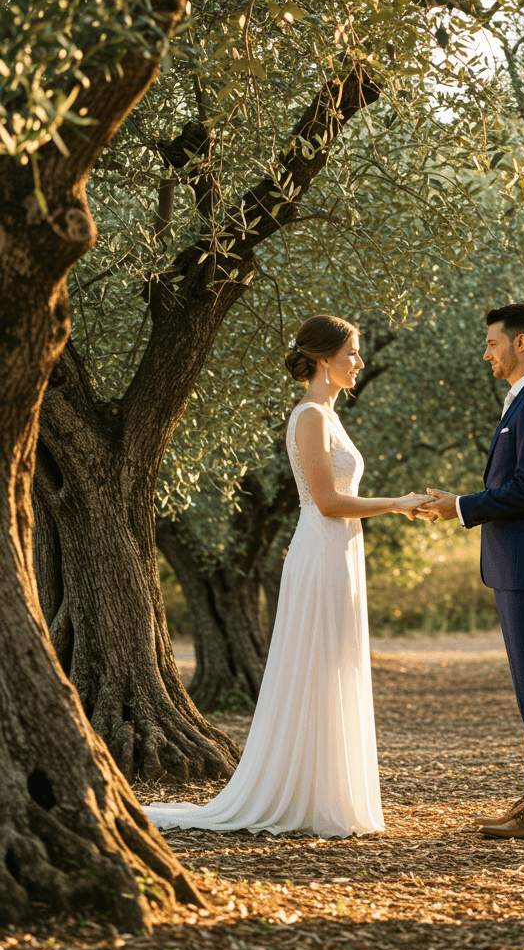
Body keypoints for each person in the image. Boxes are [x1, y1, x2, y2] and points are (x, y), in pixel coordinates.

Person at [146, 314, 434, 838]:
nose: (360, 363)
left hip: (340, 549)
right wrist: (398, 503)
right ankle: (308, 797)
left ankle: (328, 793)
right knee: (319, 662)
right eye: (352, 354)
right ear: (325, 358)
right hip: (321, 549)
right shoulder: (310, 417)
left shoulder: (329, 413)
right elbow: (325, 501)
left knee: (334, 663)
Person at [422, 303, 524, 841]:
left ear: (522, 345)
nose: (485, 353)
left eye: (492, 343)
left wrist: (458, 506)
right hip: (518, 564)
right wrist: (457, 503)